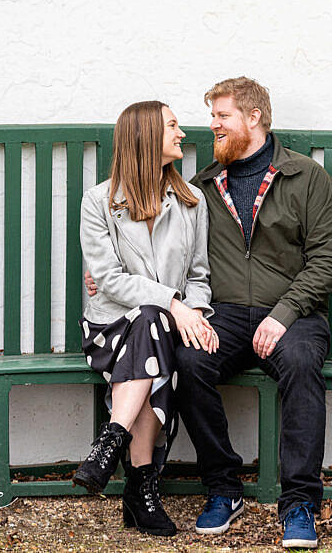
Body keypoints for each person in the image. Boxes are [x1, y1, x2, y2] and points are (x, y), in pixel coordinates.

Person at [87, 78, 332, 549]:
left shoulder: (307, 178)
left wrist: (284, 313)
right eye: (212, 118)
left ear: (254, 118)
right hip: (224, 314)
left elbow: (331, 259)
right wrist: (112, 278)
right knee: (188, 362)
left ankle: (300, 503)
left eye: (222, 117)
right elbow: (171, 254)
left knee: (303, 364)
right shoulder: (205, 185)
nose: (212, 126)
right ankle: (223, 487)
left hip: (292, 314)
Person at [74, 100, 218, 537]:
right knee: (152, 325)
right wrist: (175, 306)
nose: (182, 134)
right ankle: (142, 490)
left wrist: (193, 311)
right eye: (173, 126)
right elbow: (109, 281)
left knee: (154, 328)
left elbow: (199, 275)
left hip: (162, 328)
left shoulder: (191, 203)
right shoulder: (99, 202)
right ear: (145, 137)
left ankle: (111, 440)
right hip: (109, 327)